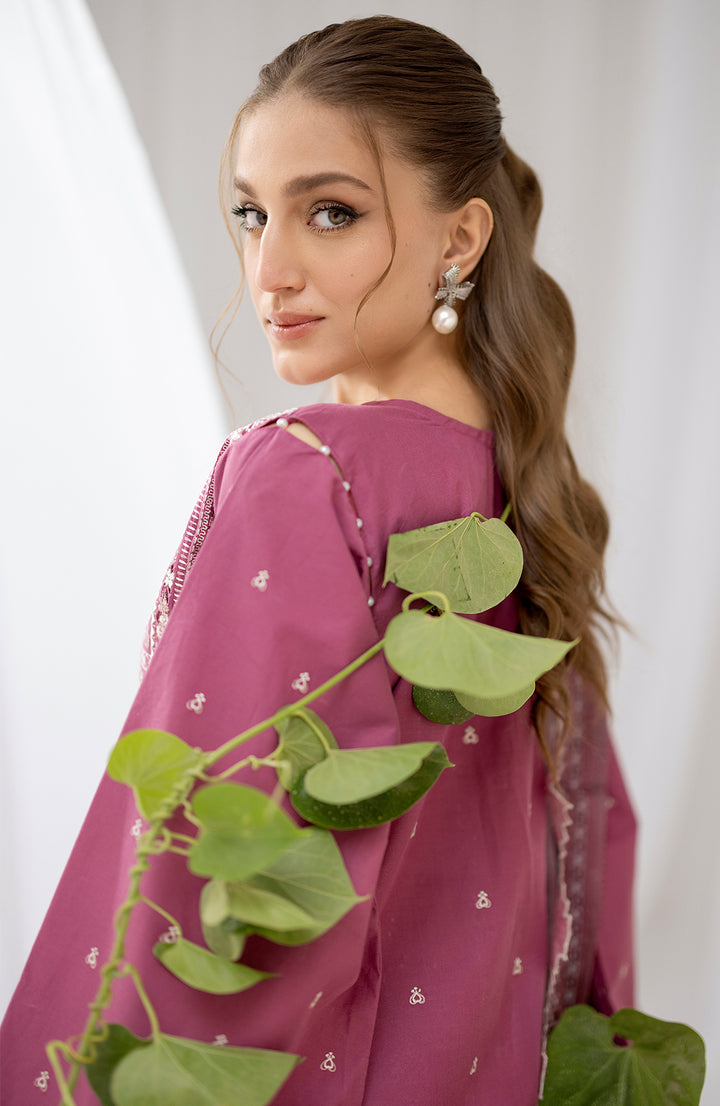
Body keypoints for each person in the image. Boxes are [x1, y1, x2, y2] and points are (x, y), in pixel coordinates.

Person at [0, 15, 635, 1105]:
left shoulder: (309, 475)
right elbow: (594, 866)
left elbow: (221, 877)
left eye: (331, 212)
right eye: (252, 214)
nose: (270, 269)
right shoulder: (528, 491)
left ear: (460, 238)